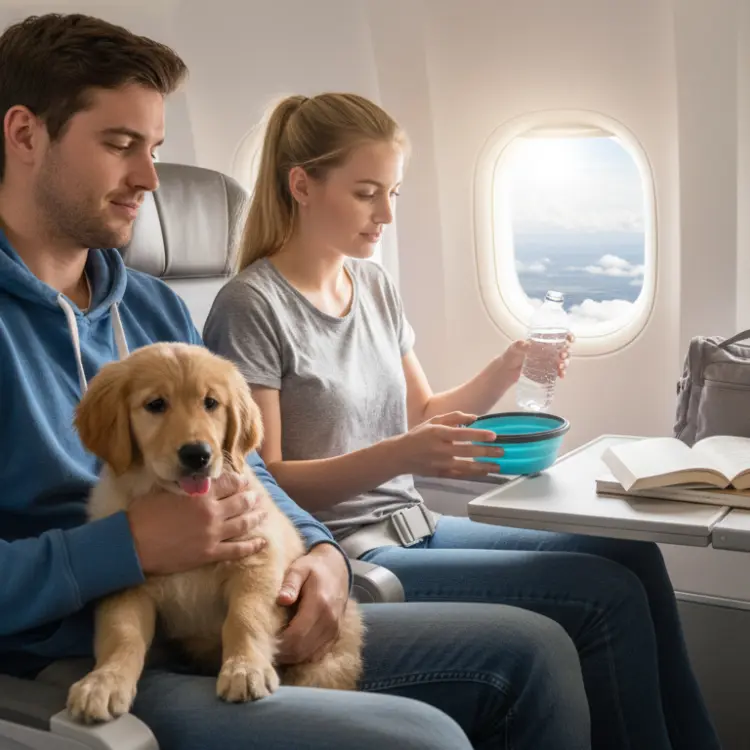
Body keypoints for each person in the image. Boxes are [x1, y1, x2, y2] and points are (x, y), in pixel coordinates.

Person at [0, 13, 594, 750]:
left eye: (154, 149)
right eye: (121, 146)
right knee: (422, 739)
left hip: (227, 602)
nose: (150, 179)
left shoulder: (152, 307)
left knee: (533, 652)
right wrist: (125, 546)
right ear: (24, 135)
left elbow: (246, 467)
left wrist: (319, 553)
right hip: (68, 656)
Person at [203, 92, 723, 750]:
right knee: (601, 596)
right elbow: (267, 481)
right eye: (367, 193)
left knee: (631, 555)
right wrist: (402, 456)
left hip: (418, 527)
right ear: (302, 185)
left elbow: (422, 414)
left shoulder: (373, 286)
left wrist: (509, 365)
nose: (386, 214)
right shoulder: (252, 307)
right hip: (349, 555)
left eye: (393, 192)